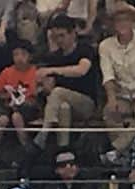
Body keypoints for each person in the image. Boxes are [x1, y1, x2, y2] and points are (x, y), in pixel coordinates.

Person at [98, 4, 135, 160]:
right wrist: (112, 100)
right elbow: (108, 75)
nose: (122, 24)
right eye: (118, 20)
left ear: (133, 21)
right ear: (113, 24)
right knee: (109, 112)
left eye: (126, 20)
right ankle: (125, 154)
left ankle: (116, 151)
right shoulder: (105, 46)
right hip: (121, 94)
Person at [34, 13, 97, 150]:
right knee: (63, 106)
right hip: (63, 103)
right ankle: (64, 150)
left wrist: (53, 70)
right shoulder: (55, 57)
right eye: (56, 37)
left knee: (59, 92)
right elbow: (50, 89)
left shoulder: (85, 49)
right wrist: (43, 82)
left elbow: (82, 70)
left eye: (62, 36)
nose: (59, 40)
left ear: (73, 34)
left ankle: (45, 131)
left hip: (86, 103)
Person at [0, 38, 40, 155]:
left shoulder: (36, 71)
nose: (19, 58)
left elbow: (37, 94)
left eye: (23, 54)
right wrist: (8, 95)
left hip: (29, 106)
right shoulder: (7, 72)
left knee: (16, 117)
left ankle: (26, 147)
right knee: (2, 120)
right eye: (16, 54)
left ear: (30, 56)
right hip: (9, 105)